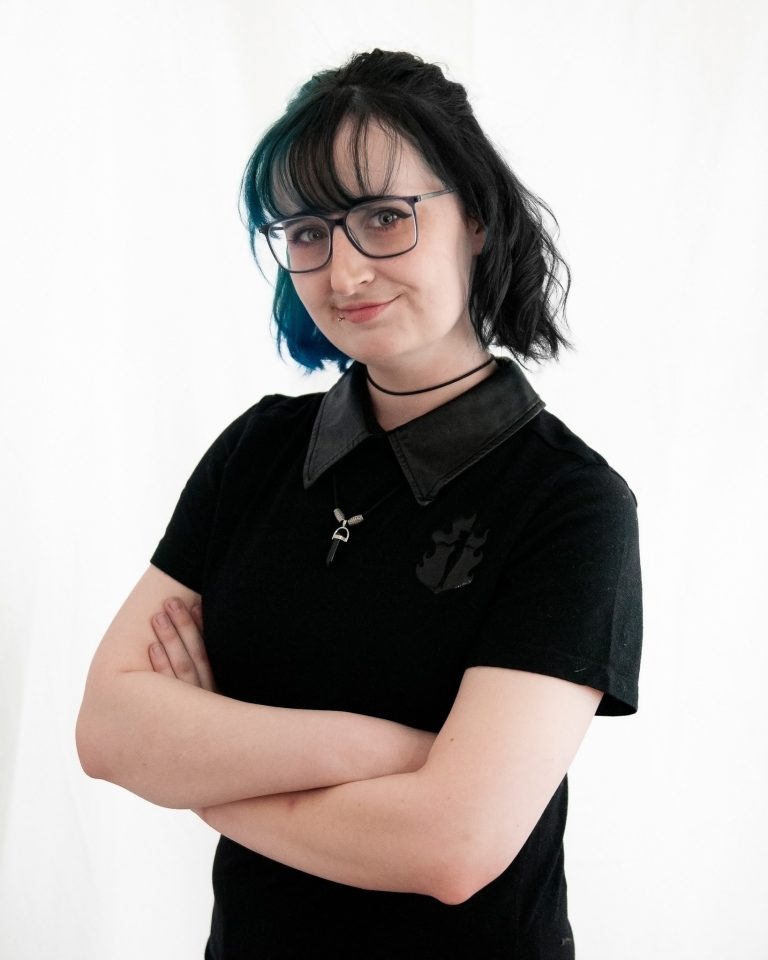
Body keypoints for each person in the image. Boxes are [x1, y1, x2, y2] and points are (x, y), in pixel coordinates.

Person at [76, 48, 642, 959]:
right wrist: (384, 752)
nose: (342, 275)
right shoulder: (258, 450)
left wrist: (205, 776)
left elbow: (453, 847)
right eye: (307, 232)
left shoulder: (571, 503)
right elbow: (108, 732)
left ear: (478, 217)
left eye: (384, 218)